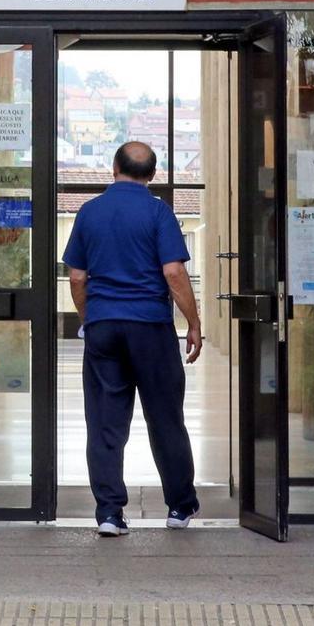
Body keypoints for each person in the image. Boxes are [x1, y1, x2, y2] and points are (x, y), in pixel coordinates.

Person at [62, 141, 203, 537]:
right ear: (152, 175)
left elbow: (77, 277)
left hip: (105, 327)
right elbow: (174, 272)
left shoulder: (89, 213)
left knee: (105, 422)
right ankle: (179, 506)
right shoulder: (159, 212)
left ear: (113, 169)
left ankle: (109, 513)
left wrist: (91, 320)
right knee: (165, 419)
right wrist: (193, 322)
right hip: (151, 328)